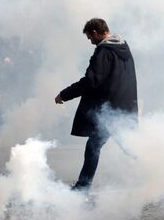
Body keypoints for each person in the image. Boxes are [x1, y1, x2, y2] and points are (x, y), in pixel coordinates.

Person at [55, 18, 138, 191]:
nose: (91, 42)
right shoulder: (124, 47)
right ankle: (157, 169)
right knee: (123, 146)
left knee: (98, 146)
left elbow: (91, 81)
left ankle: (83, 187)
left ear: (95, 32)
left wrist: (65, 94)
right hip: (122, 107)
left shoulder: (103, 51)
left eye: (90, 38)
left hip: (109, 110)